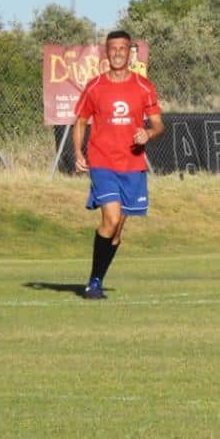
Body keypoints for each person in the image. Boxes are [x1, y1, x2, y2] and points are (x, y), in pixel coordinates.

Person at [71, 30, 164, 299]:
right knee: (110, 219)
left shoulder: (144, 86)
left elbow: (159, 124)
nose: (118, 53)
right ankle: (93, 284)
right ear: (106, 52)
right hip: (102, 162)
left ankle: (97, 278)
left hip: (132, 166)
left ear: (130, 53)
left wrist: (148, 133)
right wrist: (78, 151)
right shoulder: (95, 86)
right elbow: (80, 120)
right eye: (113, 49)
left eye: (123, 48)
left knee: (115, 234)